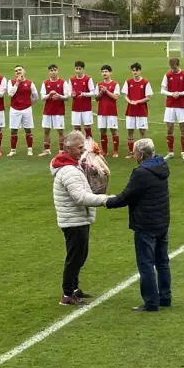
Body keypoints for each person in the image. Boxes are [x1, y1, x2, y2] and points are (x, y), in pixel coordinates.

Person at [106, 138, 172, 312]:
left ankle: (151, 302)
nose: (133, 155)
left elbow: (125, 197)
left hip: (146, 223)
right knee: (162, 261)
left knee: (146, 264)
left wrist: (106, 201)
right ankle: (165, 297)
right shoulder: (161, 166)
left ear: (141, 154)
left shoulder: (141, 173)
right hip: (162, 221)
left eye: (134, 152)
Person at [51, 130, 111, 306]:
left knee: (80, 255)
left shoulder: (72, 165)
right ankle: (67, 293)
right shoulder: (69, 170)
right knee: (75, 256)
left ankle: (74, 289)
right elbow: (80, 197)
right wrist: (105, 200)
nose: (81, 150)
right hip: (73, 219)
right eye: (79, 148)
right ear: (68, 149)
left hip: (76, 218)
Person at [160, 57, 184, 160]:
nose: (173, 69)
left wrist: (180, 93)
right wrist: (172, 94)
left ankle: (183, 152)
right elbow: (162, 90)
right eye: (172, 68)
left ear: (178, 65)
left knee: (182, 128)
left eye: (175, 67)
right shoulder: (168, 75)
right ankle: (170, 152)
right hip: (170, 105)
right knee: (169, 128)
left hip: (181, 105)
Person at [123, 62, 153, 158]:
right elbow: (125, 95)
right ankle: (131, 152)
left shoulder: (145, 82)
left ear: (140, 71)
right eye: (133, 70)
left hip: (141, 111)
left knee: (142, 132)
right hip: (131, 111)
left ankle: (142, 153)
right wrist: (130, 101)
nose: (135, 72)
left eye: (137, 70)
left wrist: (138, 101)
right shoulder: (128, 82)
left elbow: (148, 97)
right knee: (130, 131)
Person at [7, 65, 38, 156]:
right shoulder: (11, 82)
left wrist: (29, 104)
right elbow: (11, 93)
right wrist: (17, 83)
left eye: (20, 70)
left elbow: (35, 96)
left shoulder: (30, 83)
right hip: (14, 109)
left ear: (24, 71)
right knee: (13, 130)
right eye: (16, 70)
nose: (18, 72)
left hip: (26, 109)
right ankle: (13, 150)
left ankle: (30, 149)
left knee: (28, 129)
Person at [40, 64, 69, 156]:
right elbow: (42, 97)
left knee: (60, 131)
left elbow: (67, 97)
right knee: (46, 130)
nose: (53, 72)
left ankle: (61, 151)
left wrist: (59, 96)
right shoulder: (45, 83)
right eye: (51, 70)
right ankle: (47, 150)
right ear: (49, 72)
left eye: (54, 70)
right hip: (48, 110)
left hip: (58, 111)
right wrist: (50, 95)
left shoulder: (63, 83)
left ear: (58, 71)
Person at [96, 65, 121, 158]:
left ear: (110, 73)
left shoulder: (115, 84)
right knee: (102, 131)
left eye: (106, 71)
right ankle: (105, 151)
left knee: (114, 131)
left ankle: (115, 151)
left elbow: (116, 97)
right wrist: (101, 92)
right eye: (103, 72)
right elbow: (97, 98)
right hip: (101, 112)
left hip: (111, 112)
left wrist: (106, 91)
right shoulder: (99, 85)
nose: (104, 73)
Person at [69, 61, 95, 139]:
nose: (78, 71)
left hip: (86, 107)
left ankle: (90, 145)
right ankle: (79, 145)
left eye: (80, 69)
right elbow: (68, 92)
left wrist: (84, 94)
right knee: (76, 128)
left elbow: (93, 92)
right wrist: (71, 94)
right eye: (76, 69)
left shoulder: (88, 79)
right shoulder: (71, 79)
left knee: (87, 127)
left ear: (83, 69)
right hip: (75, 108)